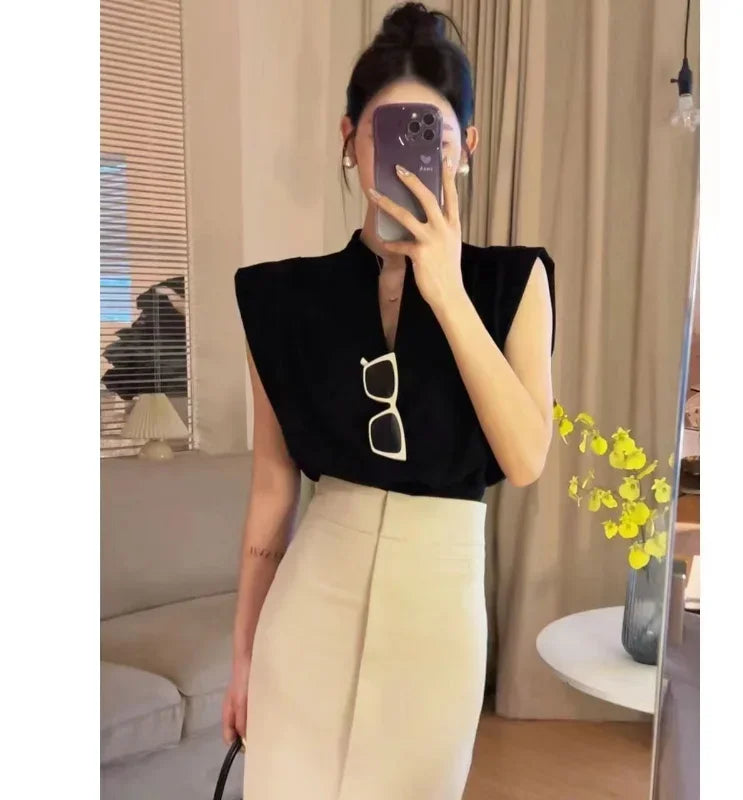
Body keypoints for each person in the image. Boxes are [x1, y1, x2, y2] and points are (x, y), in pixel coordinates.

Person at [223, 4, 555, 798]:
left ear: (466, 148)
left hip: (436, 626)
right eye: (387, 131)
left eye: (432, 135)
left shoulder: (513, 284)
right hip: (305, 620)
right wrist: (243, 658)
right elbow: (272, 495)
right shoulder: (280, 300)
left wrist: (447, 290)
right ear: (350, 139)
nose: (411, 156)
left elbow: (525, 458)